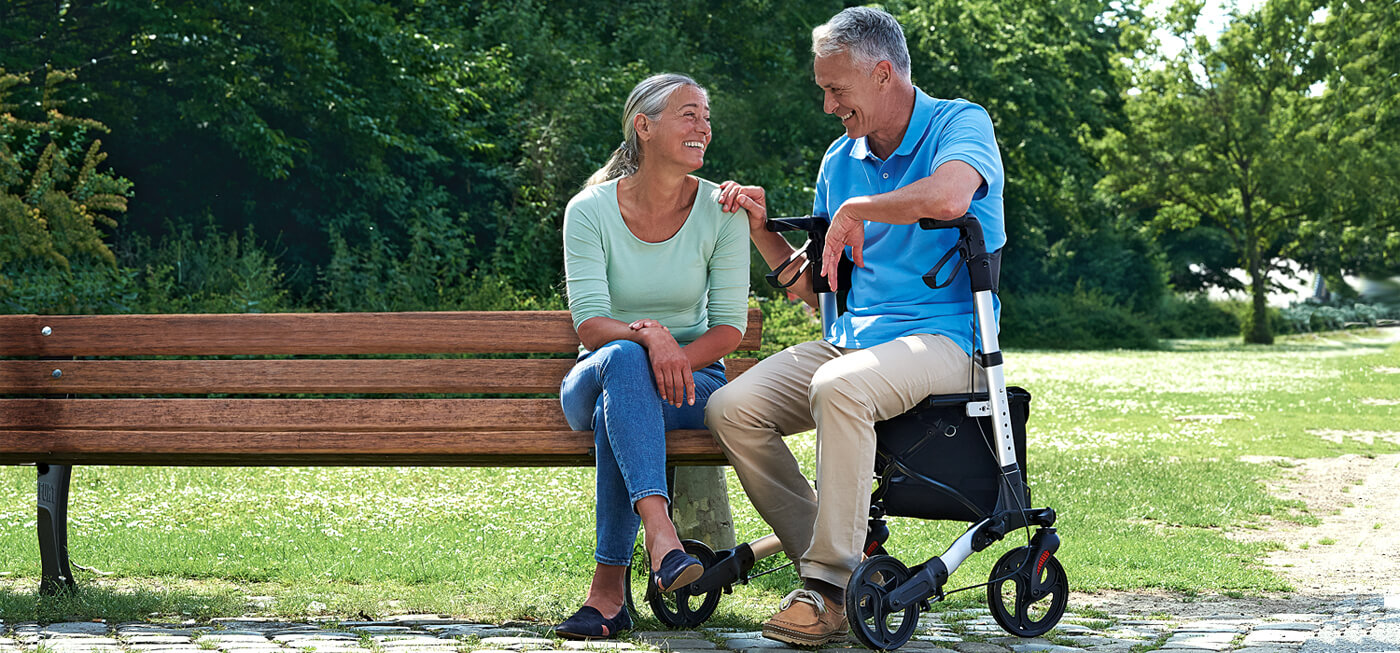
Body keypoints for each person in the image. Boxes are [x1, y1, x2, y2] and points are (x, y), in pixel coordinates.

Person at [707, 7, 1006, 647]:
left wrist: (855, 208)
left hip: (949, 338)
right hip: (849, 340)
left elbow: (951, 196)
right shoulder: (839, 157)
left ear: (881, 73)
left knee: (840, 387)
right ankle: (832, 549)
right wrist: (764, 233)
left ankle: (830, 586)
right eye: (822, 89)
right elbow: (821, 292)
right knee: (731, 407)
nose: (826, 105)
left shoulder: (960, 122)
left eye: (835, 89)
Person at [557, 73, 751, 640]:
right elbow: (590, 324)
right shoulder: (589, 210)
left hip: (692, 382)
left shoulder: (723, 210)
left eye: (706, 116)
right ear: (644, 126)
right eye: (688, 114)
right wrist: (651, 338)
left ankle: (607, 597)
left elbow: (729, 329)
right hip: (595, 374)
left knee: (619, 415)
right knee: (621, 361)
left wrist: (673, 358)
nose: (703, 127)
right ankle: (662, 536)